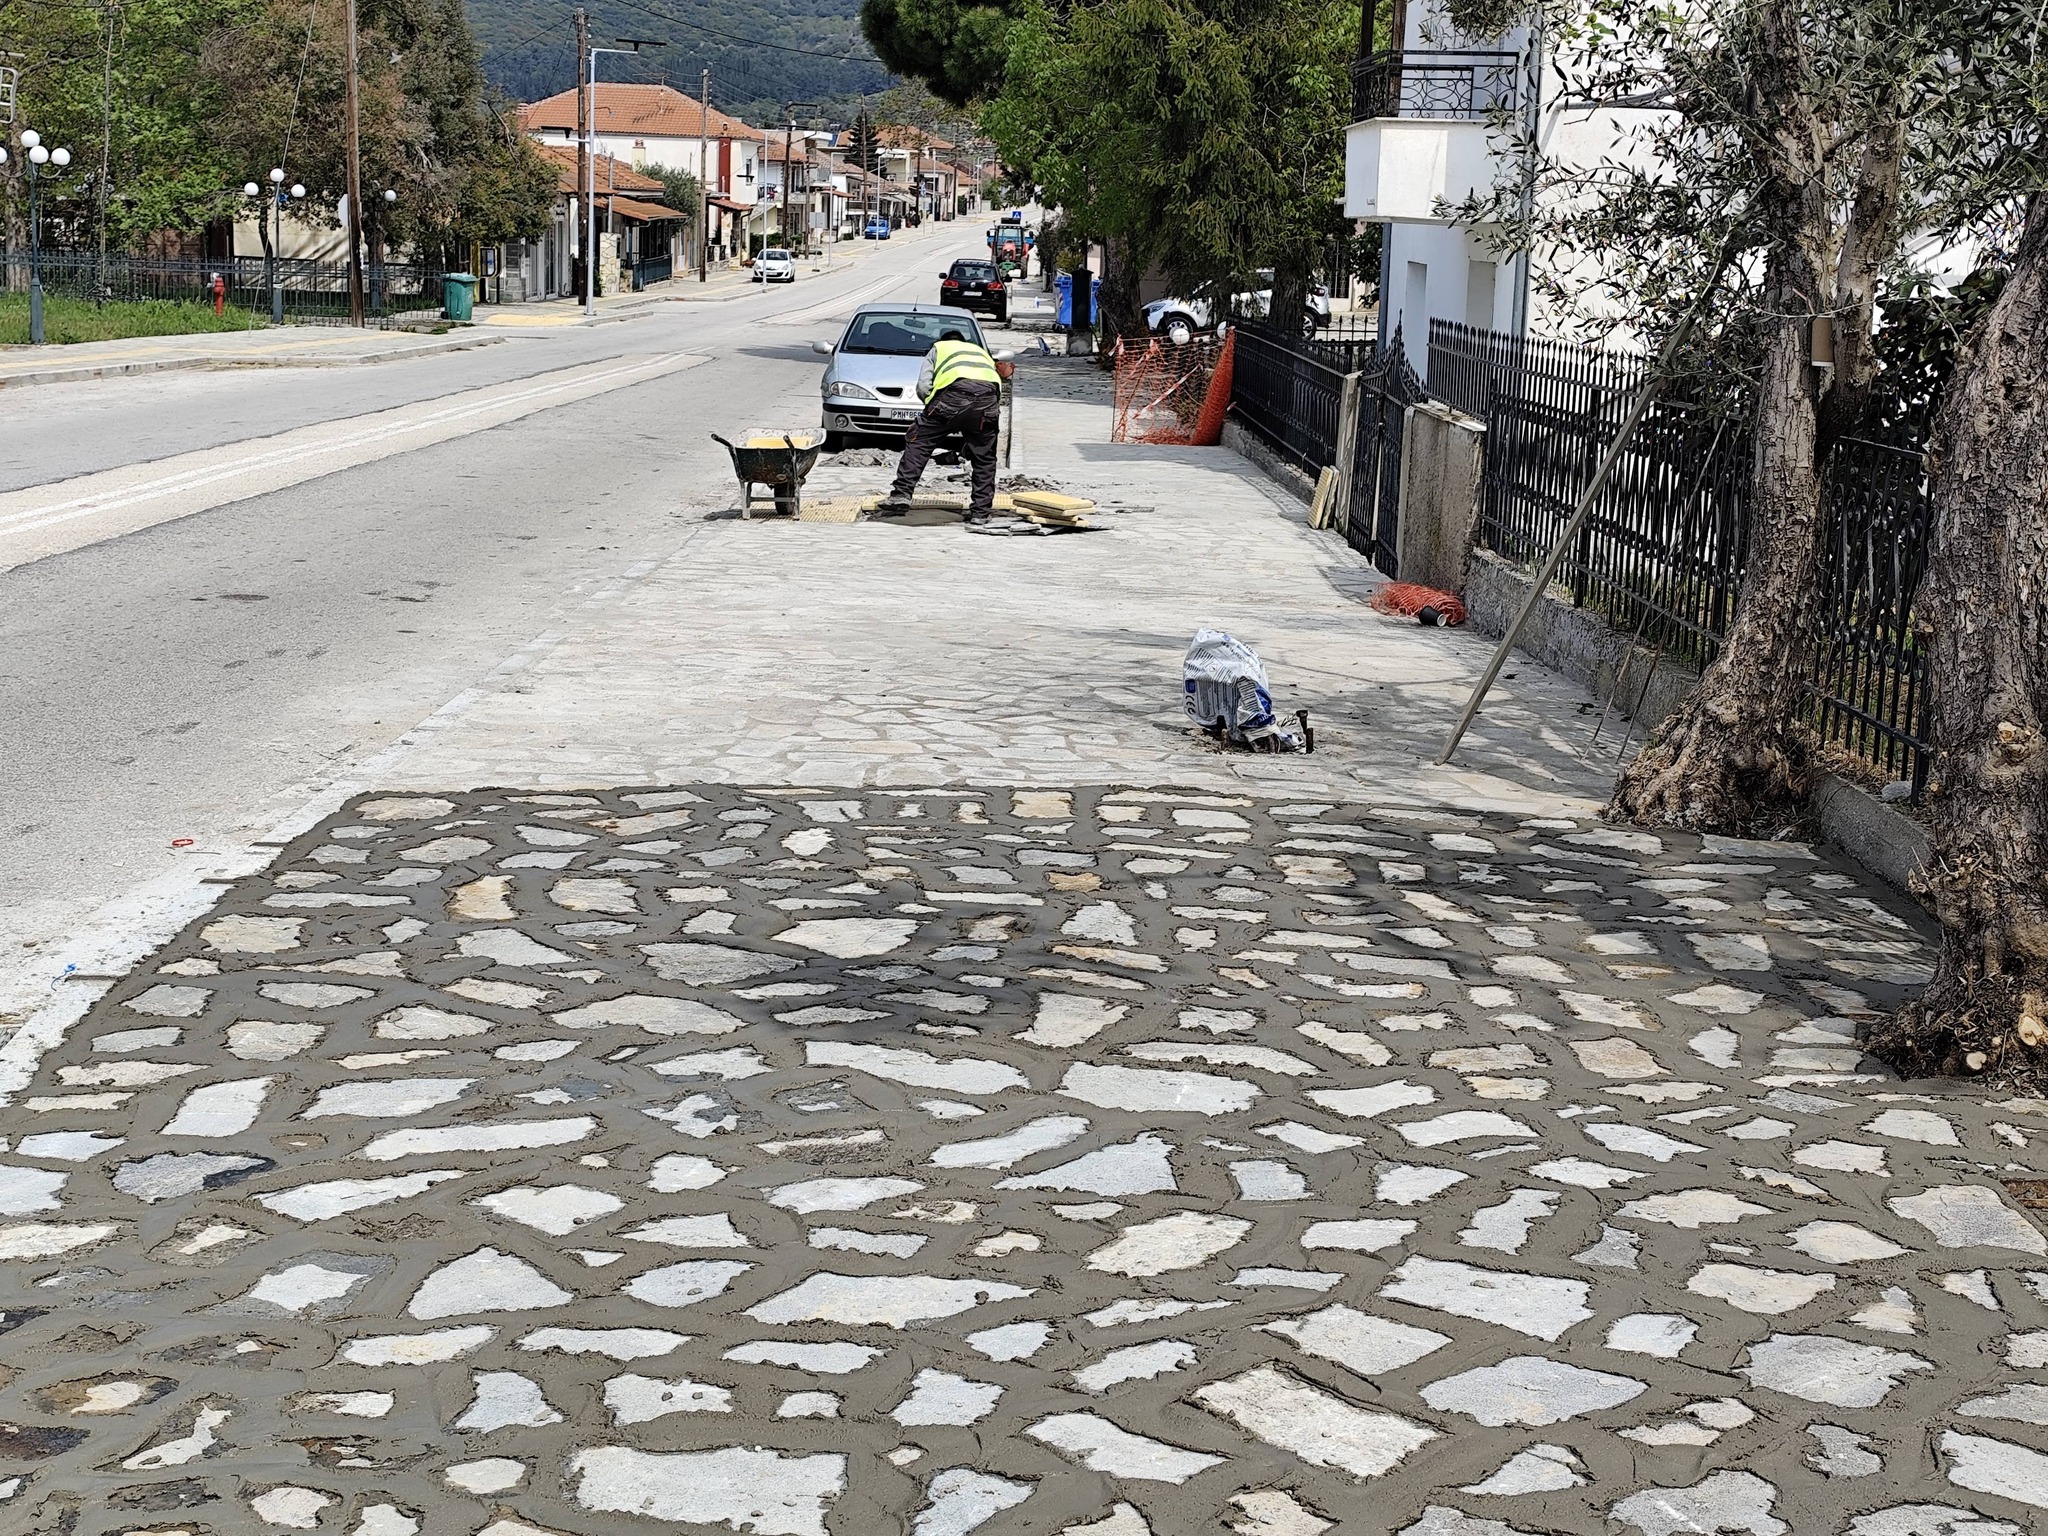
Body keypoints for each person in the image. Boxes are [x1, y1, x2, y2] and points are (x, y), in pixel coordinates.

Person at [877, 328, 1004, 522]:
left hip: (953, 396)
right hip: (988, 400)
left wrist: (930, 411)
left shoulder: (938, 348)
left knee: (919, 442)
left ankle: (901, 495)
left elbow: (923, 385)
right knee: (985, 458)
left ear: (943, 341)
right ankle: (980, 513)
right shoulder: (980, 352)